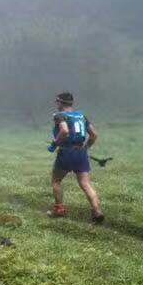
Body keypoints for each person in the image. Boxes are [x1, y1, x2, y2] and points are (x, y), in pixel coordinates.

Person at [49, 91, 104, 222]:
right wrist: (85, 147)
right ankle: (97, 211)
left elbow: (64, 130)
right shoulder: (82, 116)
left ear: (60, 102)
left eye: (57, 101)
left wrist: (55, 144)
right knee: (85, 184)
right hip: (81, 153)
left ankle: (59, 209)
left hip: (66, 152)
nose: (56, 104)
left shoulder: (59, 116)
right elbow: (94, 135)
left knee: (56, 181)